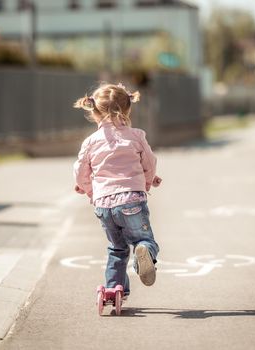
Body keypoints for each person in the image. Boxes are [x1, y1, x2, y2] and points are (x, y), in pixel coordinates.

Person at [73, 82, 161, 298]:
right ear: (128, 109)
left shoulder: (91, 142)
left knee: (117, 248)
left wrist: (89, 190)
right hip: (131, 199)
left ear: (94, 111)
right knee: (144, 239)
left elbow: (80, 170)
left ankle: (113, 290)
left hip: (104, 205)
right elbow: (149, 162)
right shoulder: (137, 136)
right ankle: (144, 252)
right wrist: (148, 181)